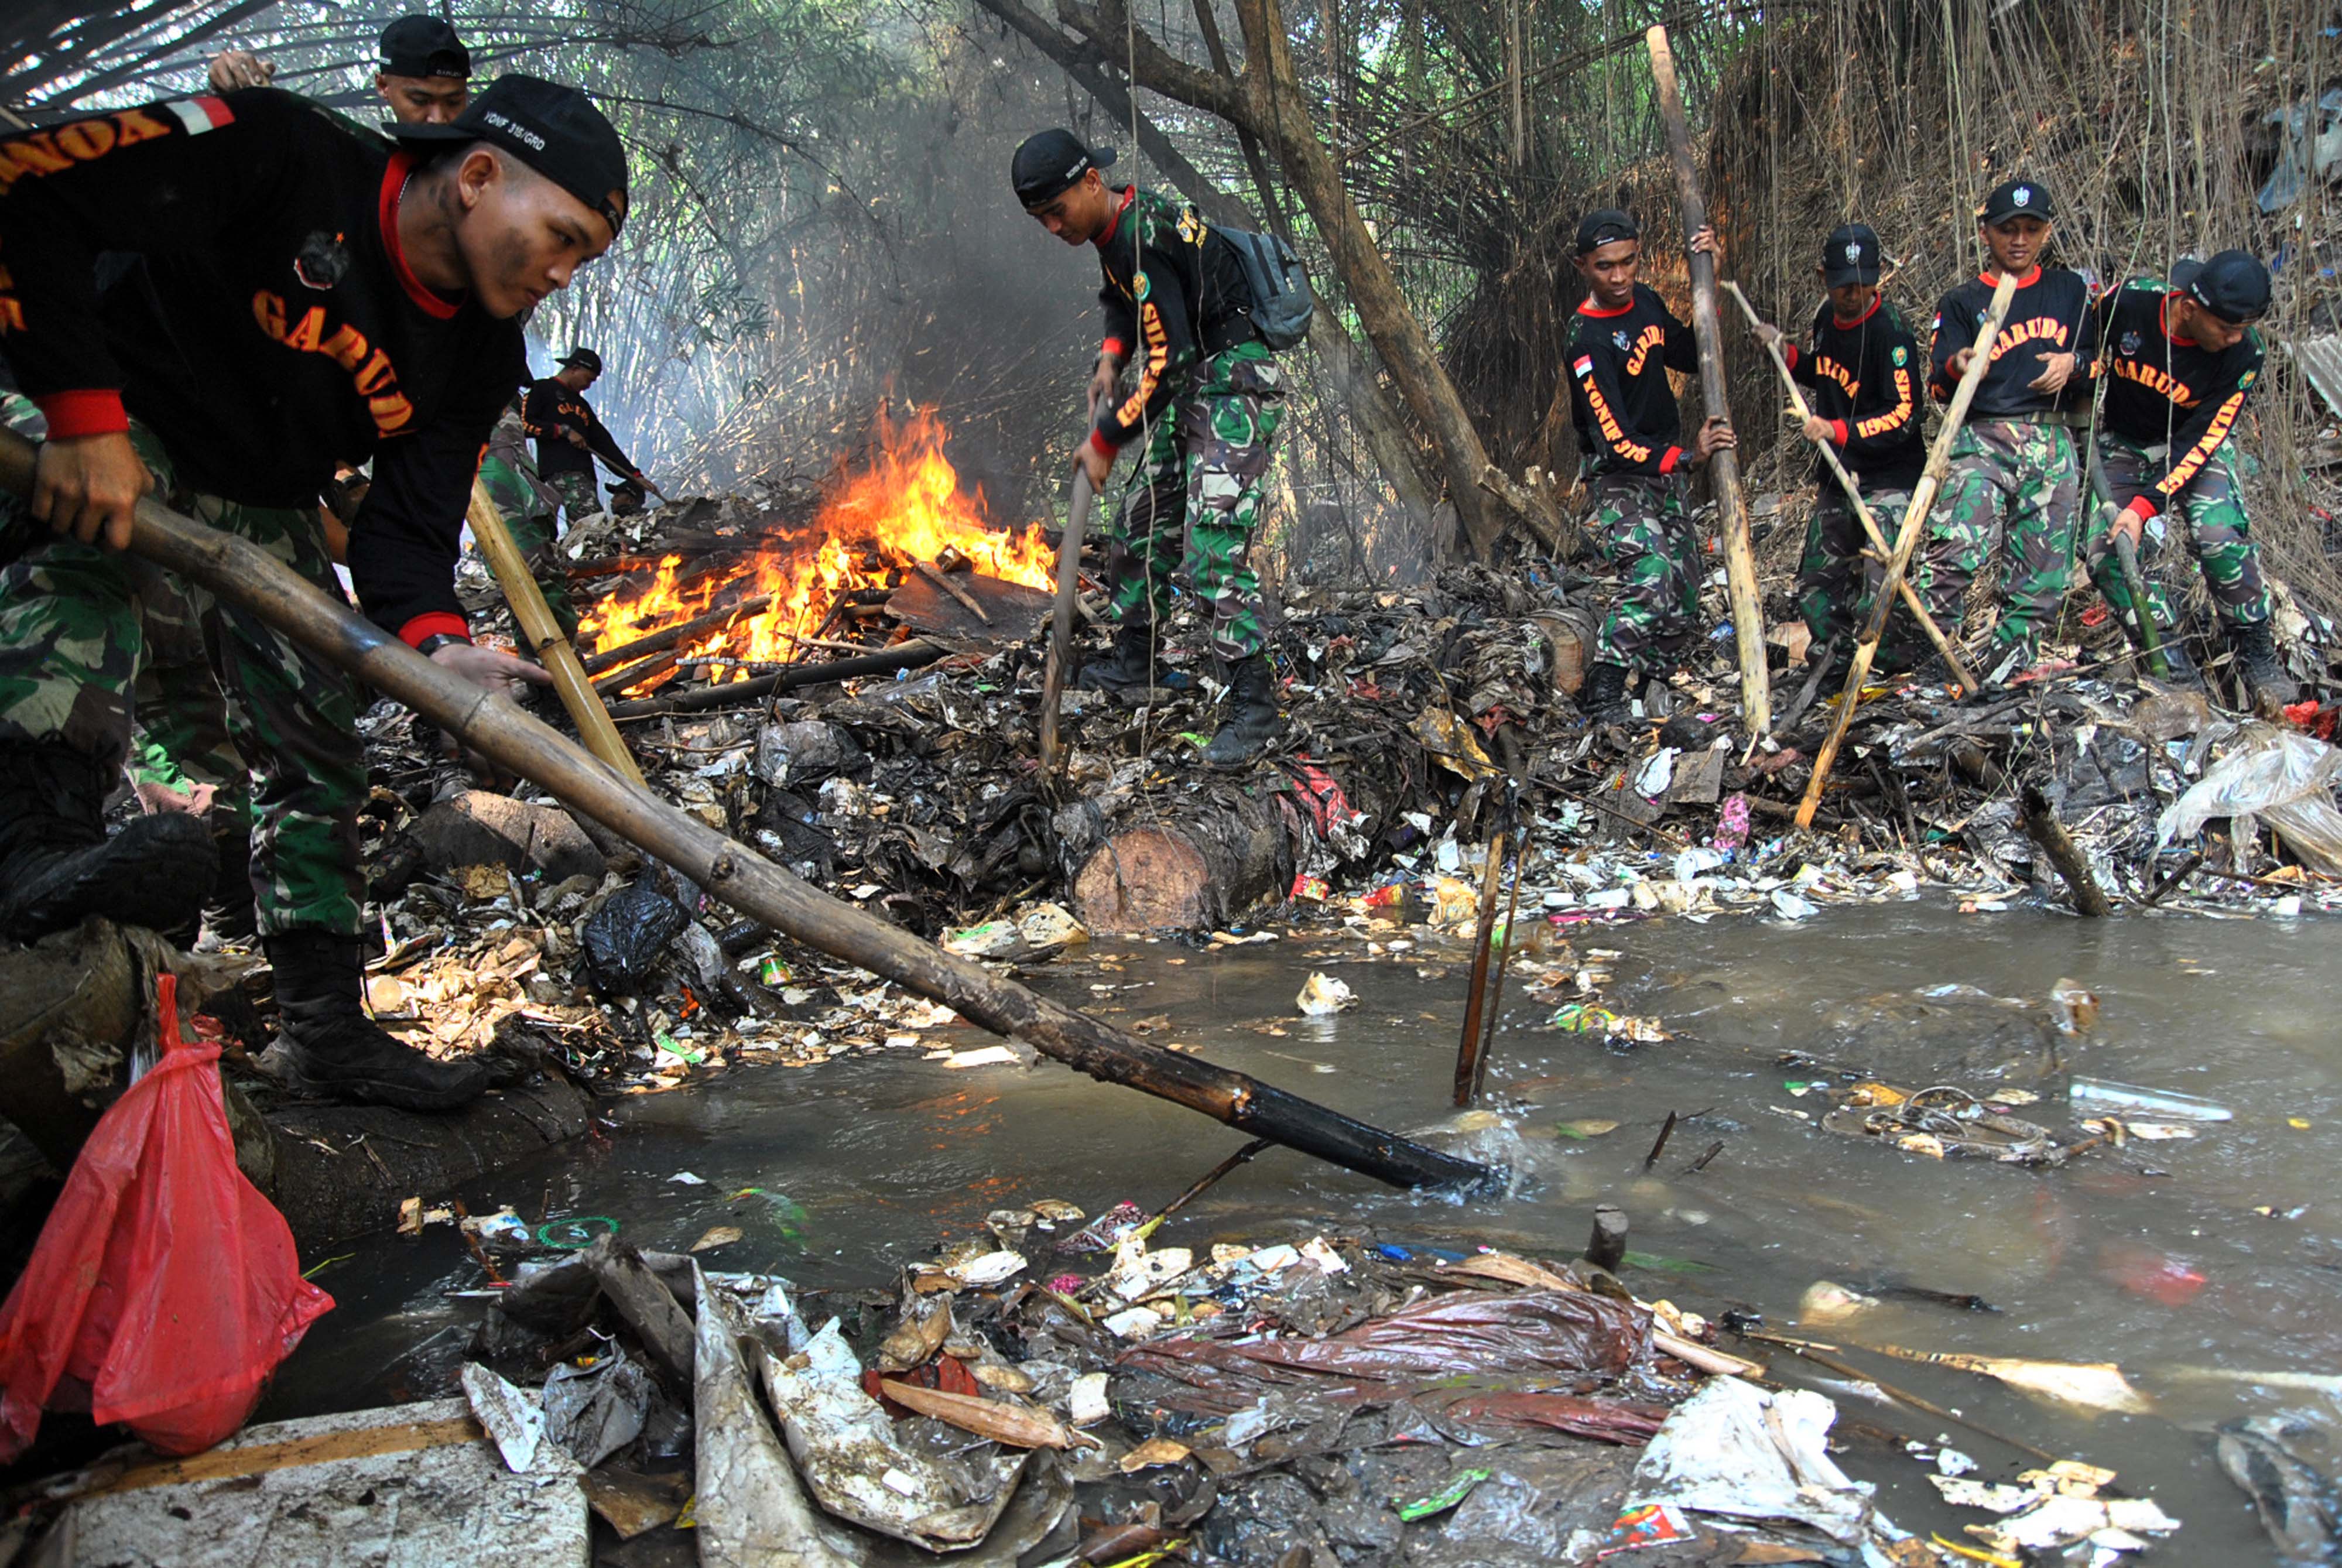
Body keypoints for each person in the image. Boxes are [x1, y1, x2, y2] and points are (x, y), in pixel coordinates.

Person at [0, 75, 629, 1111]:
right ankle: (32, 844)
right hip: (103, 412)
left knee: (320, 720)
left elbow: (406, 530)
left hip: (260, 490)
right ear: (477, 177)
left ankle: (327, 1026)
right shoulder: (281, 151)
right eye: (560, 237)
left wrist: (436, 647)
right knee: (87, 554)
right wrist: (83, 418)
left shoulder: (476, 354)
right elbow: (32, 191)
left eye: (583, 258)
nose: (562, 274)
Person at [1012, 128, 1289, 767]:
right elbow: (1121, 299)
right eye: (1040, 219)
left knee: (1213, 540)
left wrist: (1108, 438)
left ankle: (1253, 704)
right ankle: (1138, 658)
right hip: (1194, 374)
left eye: (1057, 210)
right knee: (1142, 519)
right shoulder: (1111, 230)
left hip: (1233, 373)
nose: (1053, 227)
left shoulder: (1139, 230)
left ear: (1090, 183)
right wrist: (1112, 357)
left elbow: (1171, 358)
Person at [2081, 251, 2291, 704]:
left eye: (2243, 327)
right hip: (2126, 442)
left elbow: (2204, 438)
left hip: (2194, 447)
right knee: (2105, 551)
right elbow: (2084, 344)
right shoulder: (2130, 303)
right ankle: (2170, 659)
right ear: (2190, 309)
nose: (2236, 337)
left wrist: (2145, 506)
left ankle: (2254, 648)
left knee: (2218, 535)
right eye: (2226, 327)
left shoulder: (2244, 354)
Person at [1908, 177, 2094, 681]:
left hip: (2051, 439)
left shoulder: (2069, 291)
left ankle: (2013, 665)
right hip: (1982, 438)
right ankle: (1933, 663)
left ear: (2047, 232)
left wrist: (2073, 363)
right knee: (1953, 550)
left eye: (2031, 229)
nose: (2019, 240)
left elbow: (2102, 362)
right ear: (1986, 232)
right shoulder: (1962, 300)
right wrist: (1961, 365)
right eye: (2008, 229)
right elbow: (1938, 385)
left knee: (2042, 567)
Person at [1563, 208, 1735, 720]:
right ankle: (1606, 686)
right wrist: (1688, 457)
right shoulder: (1586, 340)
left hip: (1663, 465)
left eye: (1628, 263)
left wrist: (1712, 279)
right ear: (1583, 267)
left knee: (1686, 580)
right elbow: (1614, 440)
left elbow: (1691, 351)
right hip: (1620, 473)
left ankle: (1655, 685)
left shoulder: (1647, 303)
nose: (1619, 278)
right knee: (1652, 572)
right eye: (1604, 267)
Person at [1751, 223, 1926, 679]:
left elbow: (1904, 415)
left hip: (1890, 477)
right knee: (1816, 583)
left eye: (1865, 283)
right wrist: (1785, 354)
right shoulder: (1827, 318)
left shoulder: (1893, 333)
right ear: (1822, 277)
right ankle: (1835, 662)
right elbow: (1822, 372)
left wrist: (1836, 429)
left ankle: (1889, 670)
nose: (1854, 294)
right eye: (1844, 284)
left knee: (1881, 583)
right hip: (1838, 475)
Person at [211, 13, 471, 128]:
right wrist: (251, 99)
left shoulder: (487, 164)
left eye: (453, 101)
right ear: (383, 87)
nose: (438, 118)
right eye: (420, 100)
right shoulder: (358, 158)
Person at [479, 393, 580, 639]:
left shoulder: (509, 397)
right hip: (498, 481)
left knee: (539, 578)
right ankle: (551, 670)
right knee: (531, 577)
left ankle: (555, 667)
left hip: (522, 482)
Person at [522, 348, 651, 528]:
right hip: (555, 472)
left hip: (584, 474)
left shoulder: (582, 405)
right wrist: (563, 431)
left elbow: (604, 443)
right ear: (575, 369)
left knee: (586, 529)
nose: (588, 386)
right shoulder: (542, 389)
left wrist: (634, 475)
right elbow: (524, 424)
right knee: (584, 526)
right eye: (588, 379)